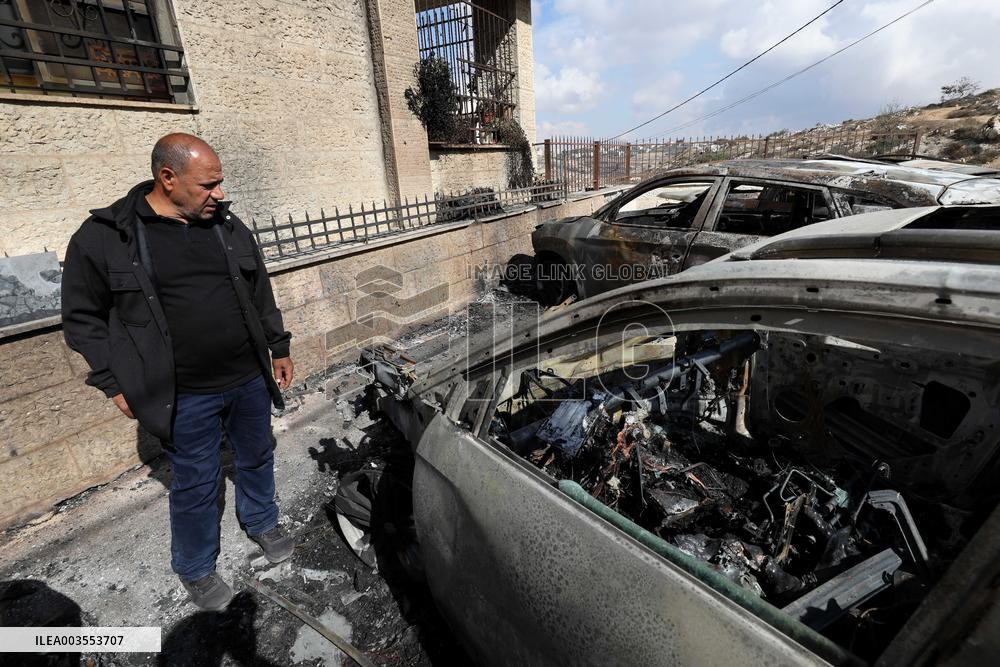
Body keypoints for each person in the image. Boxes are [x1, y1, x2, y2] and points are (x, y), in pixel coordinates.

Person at [62, 133, 295, 611]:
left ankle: (262, 520)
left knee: (256, 454)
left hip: (248, 378)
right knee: (195, 480)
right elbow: (82, 318)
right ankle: (196, 566)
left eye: (221, 183)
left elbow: (259, 292)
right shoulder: (107, 237)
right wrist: (112, 383)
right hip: (182, 394)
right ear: (167, 179)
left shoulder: (226, 227)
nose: (220, 194)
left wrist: (278, 346)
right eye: (209, 184)